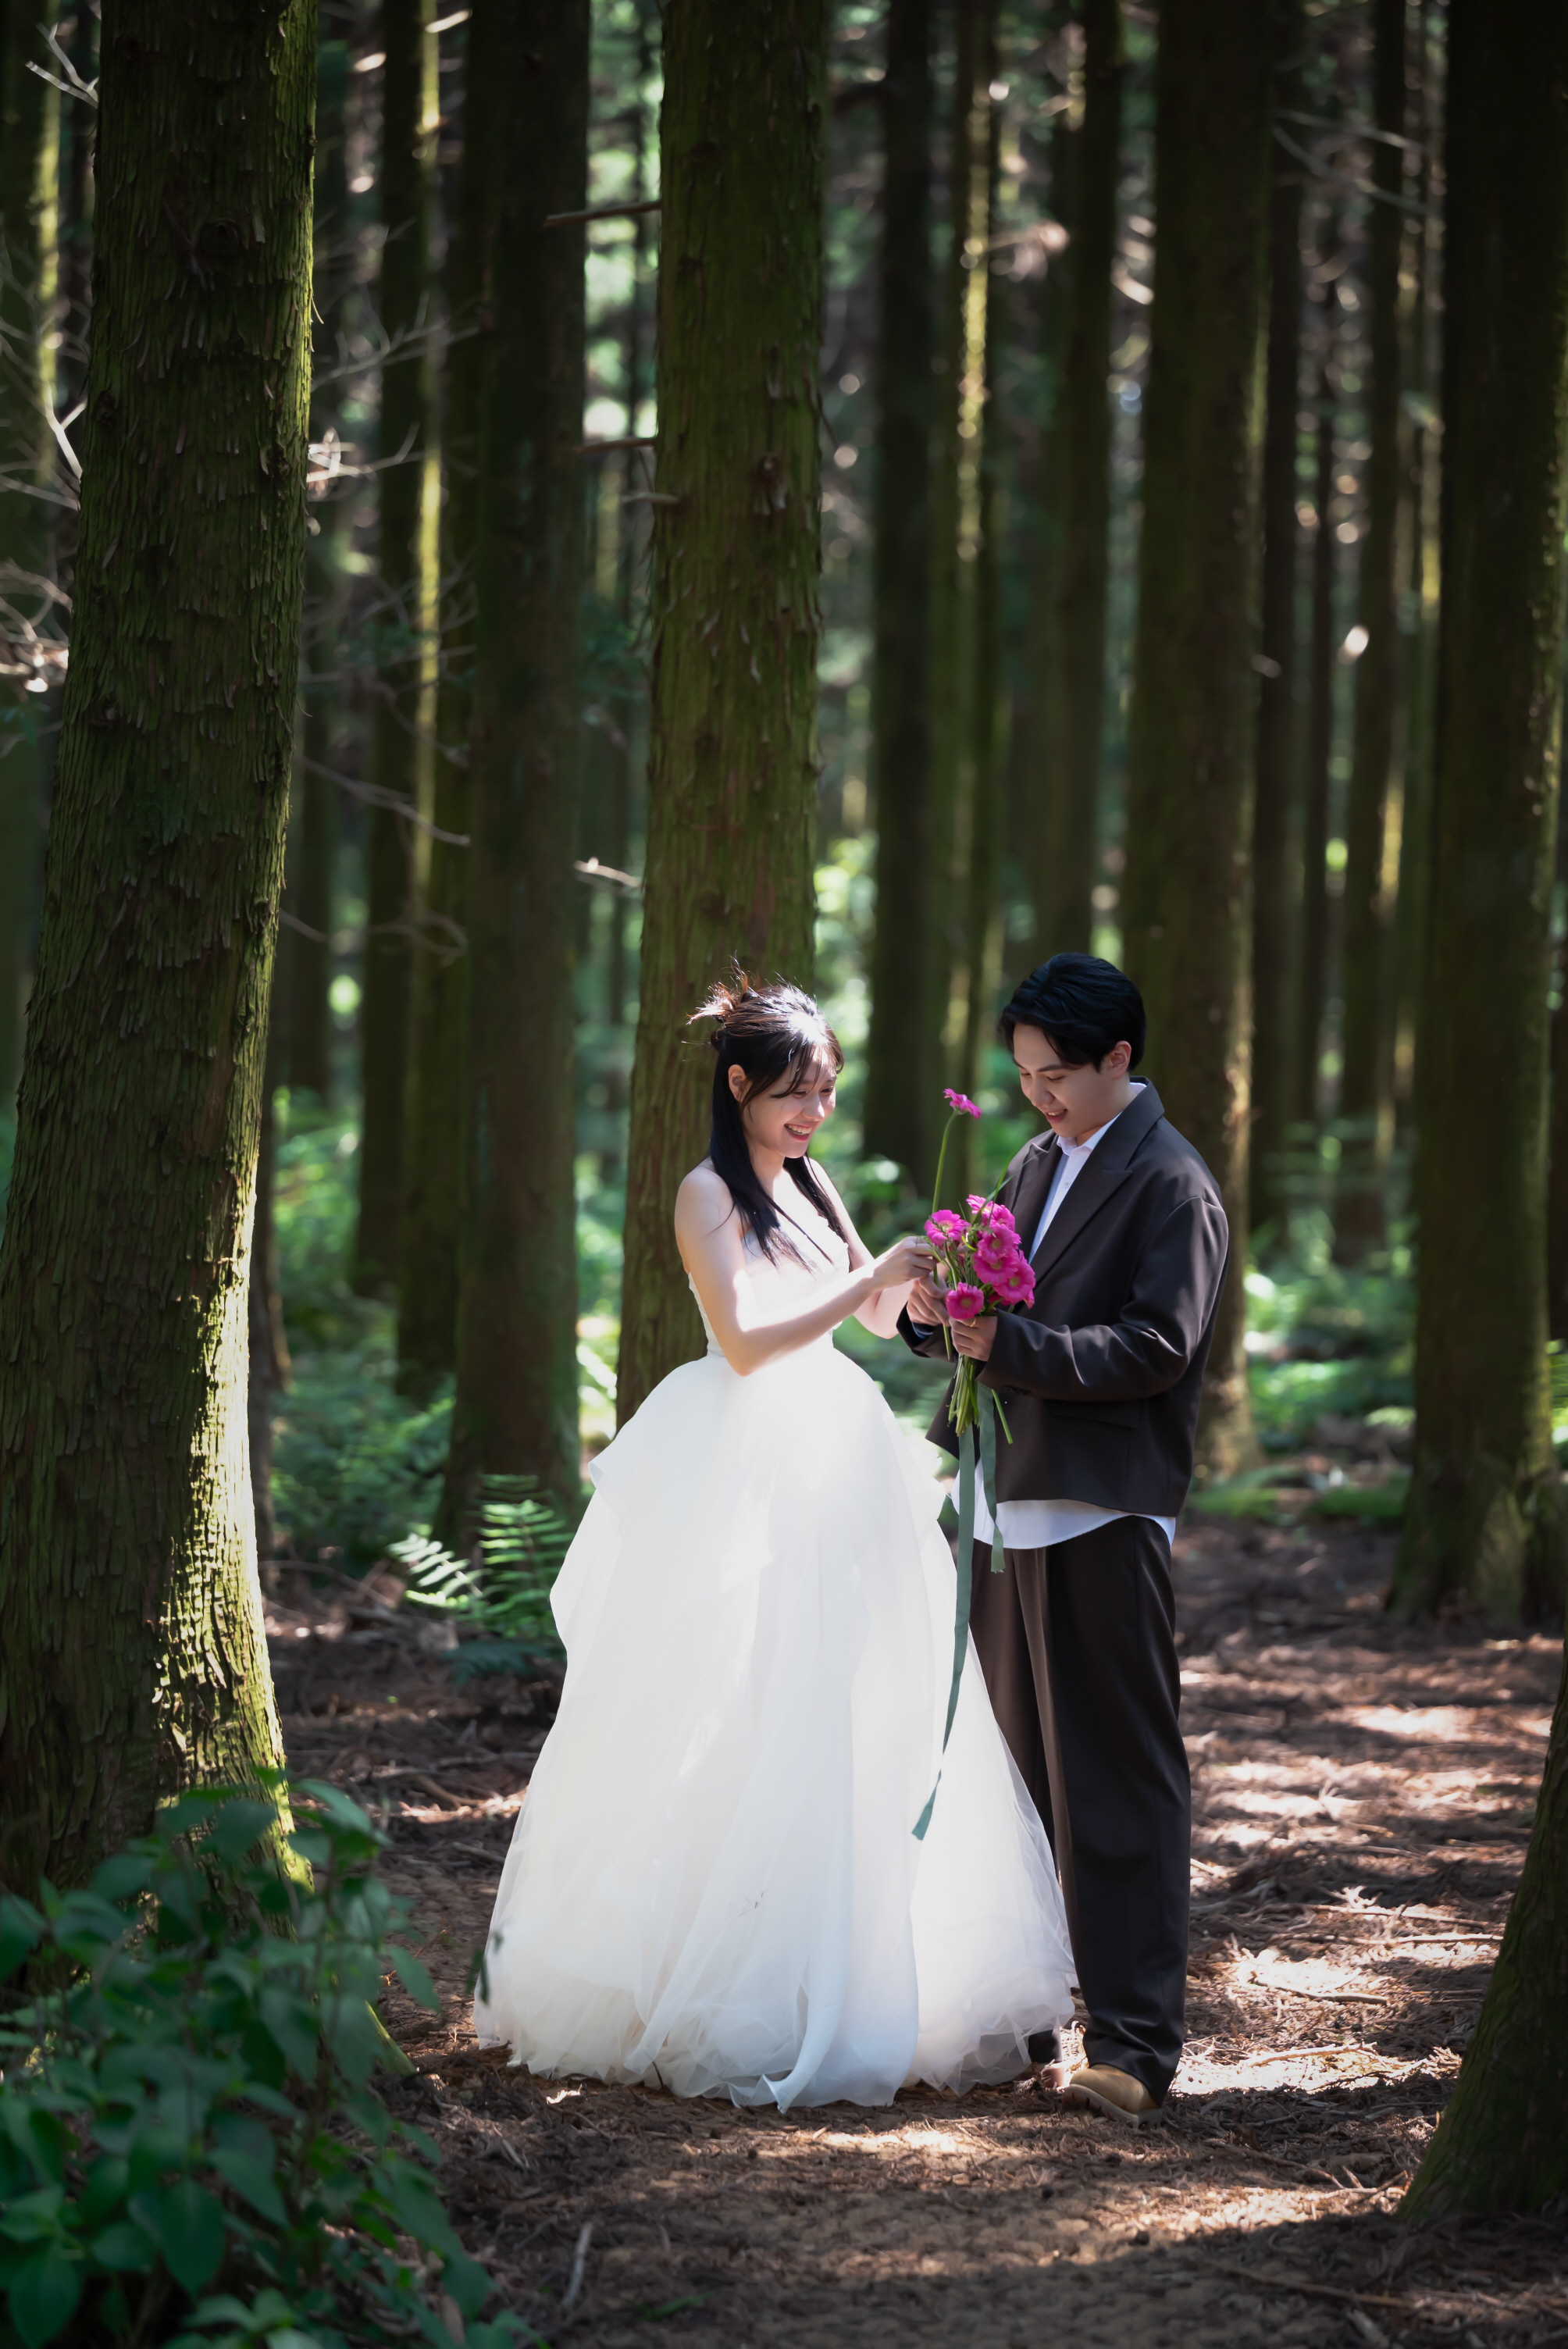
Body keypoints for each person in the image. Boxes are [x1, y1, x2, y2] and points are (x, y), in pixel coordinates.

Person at [475, 973, 1074, 2109]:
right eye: (798, 1094)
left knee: (857, 1696)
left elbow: (865, 1316)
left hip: (841, 1454)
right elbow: (747, 1343)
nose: (815, 1115)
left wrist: (938, 1289)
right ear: (739, 1084)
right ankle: (725, 1970)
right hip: (748, 1457)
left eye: (829, 1094)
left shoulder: (809, 1182)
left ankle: (854, 1965)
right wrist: (868, 1274)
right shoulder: (707, 1193)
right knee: (745, 1695)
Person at [903, 953, 1229, 2126]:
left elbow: (1157, 1348)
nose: (1037, 1097)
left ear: (1119, 1061)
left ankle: (1137, 2047)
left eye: (1056, 1076)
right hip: (1004, 1498)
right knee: (1017, 1785)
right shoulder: (1040, 1160)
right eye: (1026, 1076)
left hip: (1101, 1505)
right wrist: (935, 1317)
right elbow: (991, 1306)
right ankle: (1027, 2026)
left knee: (1115, 1782)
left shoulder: (1171, 1182)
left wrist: (1014, 1347)